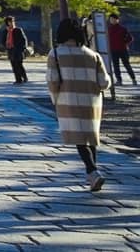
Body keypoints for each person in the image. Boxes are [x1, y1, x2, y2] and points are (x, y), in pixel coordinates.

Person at [47, 16, 113, 191]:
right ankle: (92, 174)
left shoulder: (55, 54)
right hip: (92, 102)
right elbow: (104, 82)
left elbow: (53, 80)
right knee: (90, 138)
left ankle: (92, 172)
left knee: (78, 139)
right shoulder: (93, 55)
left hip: (68, 100)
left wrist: (55, 98)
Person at [107, 13, 136, 86]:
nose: (112, 21)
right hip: (113, 50)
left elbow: (130, 38)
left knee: (126, 65)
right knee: (116, 66)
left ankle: (133, 79)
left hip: (123, 50)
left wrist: (124, 43)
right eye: (110, 19)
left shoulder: (123, 29)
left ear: (117, 20)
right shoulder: (109, 29)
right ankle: (119, 80)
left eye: (113, 19)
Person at [4, 16, 30, 84]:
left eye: (13, 21)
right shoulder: (6, 31)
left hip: (18, 50)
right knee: (14, 65)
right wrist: (6, 46)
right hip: (11, 50)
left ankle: (24, 77)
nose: (12, 23)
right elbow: (3, 40)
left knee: (19, 64)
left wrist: (23, 48)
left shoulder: (18, 29)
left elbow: (24, 39)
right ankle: (18, 80)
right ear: (7, 23)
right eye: (10, 21)